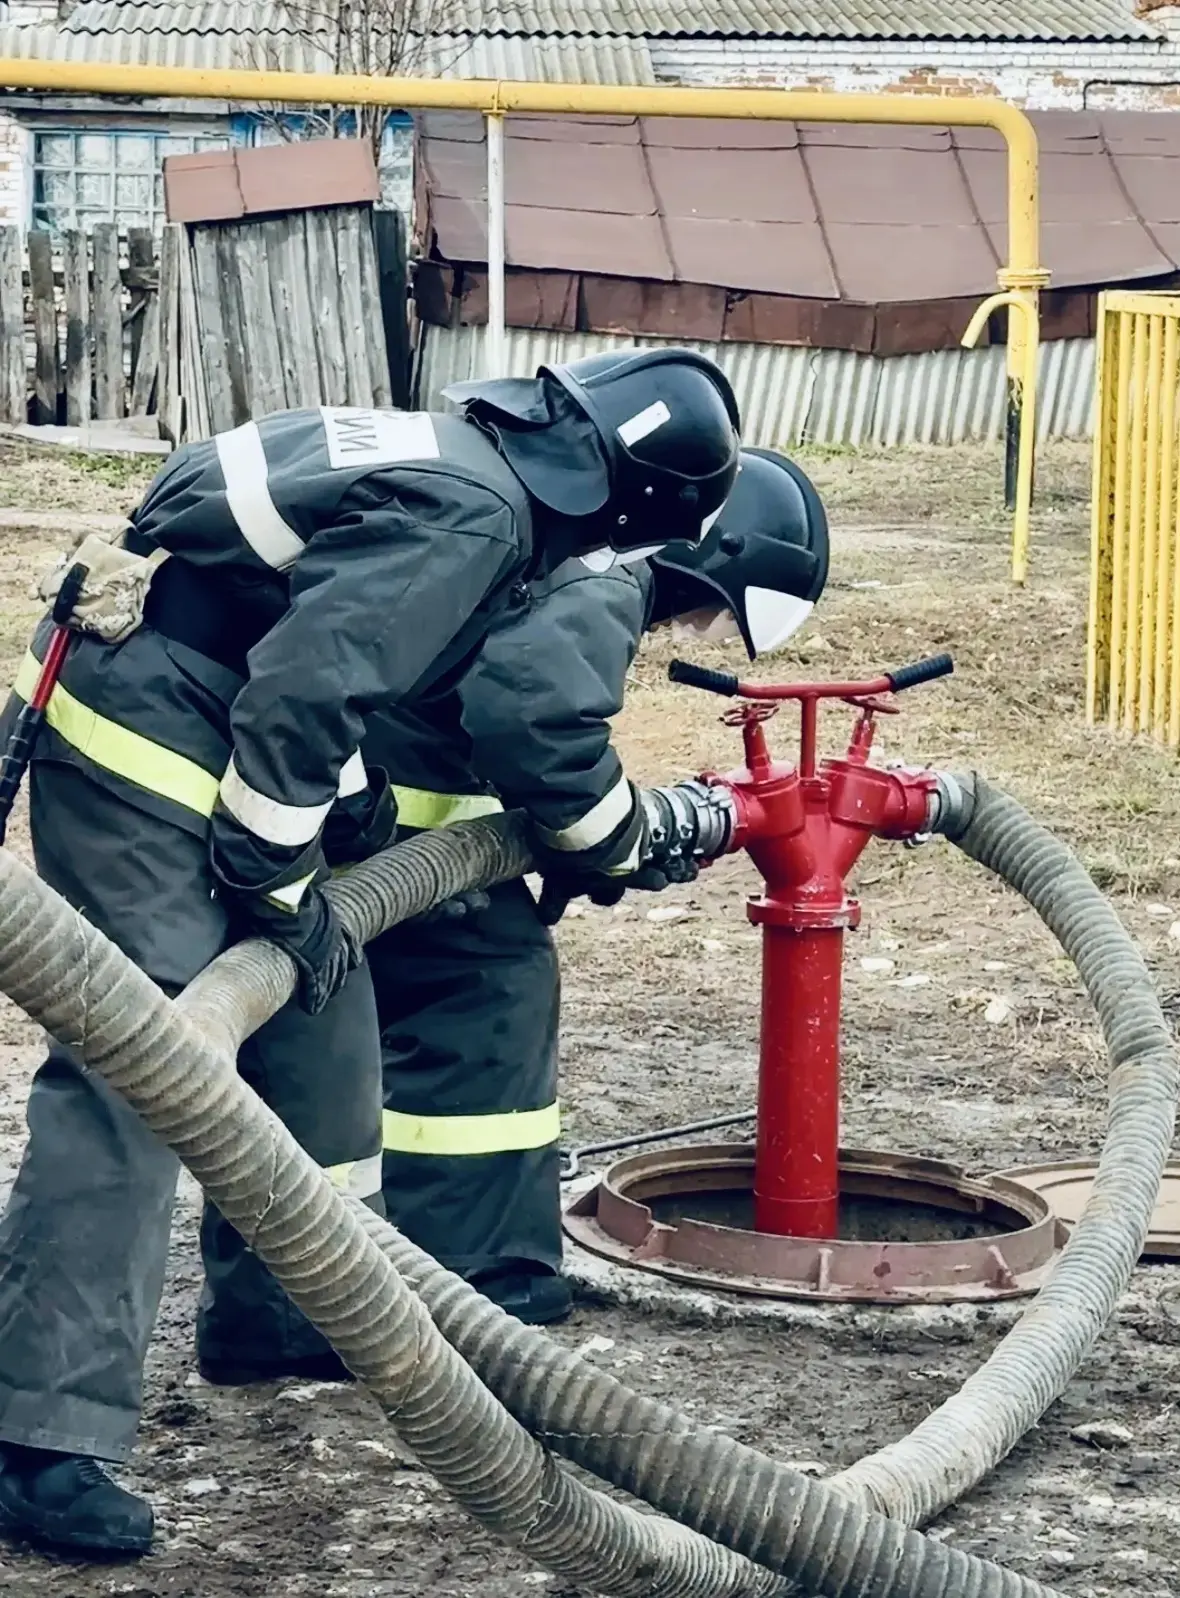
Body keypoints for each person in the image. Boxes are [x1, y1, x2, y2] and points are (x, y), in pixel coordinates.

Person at [0, 347, 741, 1557]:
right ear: (630, 504)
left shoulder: (471, 473)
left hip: (212, 708)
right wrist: (276, 871)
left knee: (324, 1016)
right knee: (143, 1068)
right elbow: (307, 687)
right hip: (148, 735)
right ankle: (40, 1436)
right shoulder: (481, 511)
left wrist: (337, 836)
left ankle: (279, 1316)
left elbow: (318, 634)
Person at [362, 446, 830, 1326]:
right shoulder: (611, 575)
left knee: (340, 1049)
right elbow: (532, 717)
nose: (693, 632)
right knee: (491, 995)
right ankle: (482, 1278)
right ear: (715, 552)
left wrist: (579, 841)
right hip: (398, 834)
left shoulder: (568, 548)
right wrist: (618, 844)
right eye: (713, 612)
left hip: (342, 805)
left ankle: (342, 1277)